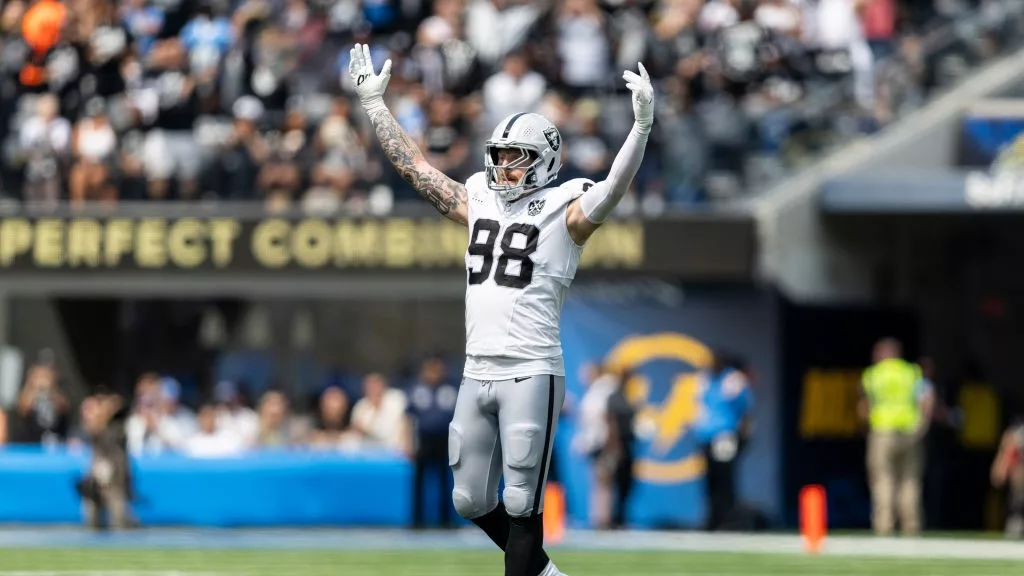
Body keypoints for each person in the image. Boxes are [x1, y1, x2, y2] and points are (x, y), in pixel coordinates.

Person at [349, 42, 654, 576]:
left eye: (519, 158)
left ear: (547, 161)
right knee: (468, 498)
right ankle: (546, 574)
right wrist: (376, 107)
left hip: (531, 370)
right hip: (477, 368)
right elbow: (417, 169)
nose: (505, 167)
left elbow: (613, 189)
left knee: (520, 502)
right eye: (501, 155)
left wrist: (641, 128)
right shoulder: (480, 198)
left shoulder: (567, 207)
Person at [858, 337, 933, 536]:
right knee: (910, 480)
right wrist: (922, 425)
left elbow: (864, 405)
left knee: (883, 479)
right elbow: (927, 398)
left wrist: (866, 426)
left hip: (883, 431)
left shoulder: (873, 374)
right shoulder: (912, 372)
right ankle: (912, 525)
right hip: (909, 431)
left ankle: (884, 526)